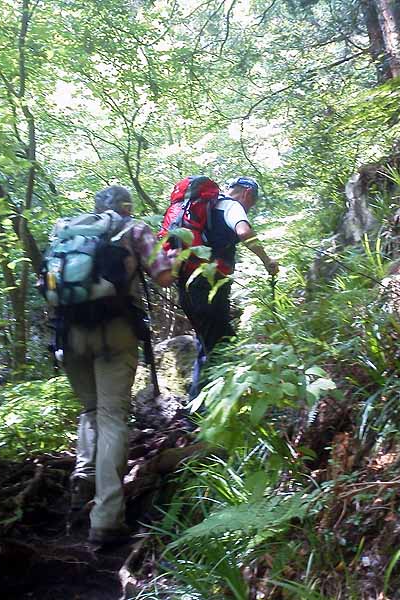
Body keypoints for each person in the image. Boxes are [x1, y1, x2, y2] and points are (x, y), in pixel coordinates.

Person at [62, 185, 175, 547]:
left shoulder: (68, 229)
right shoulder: (135, 228)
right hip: (115, 331)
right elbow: (164, 275)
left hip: (69, 333)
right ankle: (107, 518)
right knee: (111, 416)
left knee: (91, 410)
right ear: (127, 207)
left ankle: (83, 478)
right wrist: (176, 254)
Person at [177, 175, 279, 399]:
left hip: (186, 285)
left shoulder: (199, 209)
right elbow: (244, 232)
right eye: (252, 203)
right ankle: (205, 409)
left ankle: (206, 404)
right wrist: (267, 260)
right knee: (220, 344)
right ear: (247, 193)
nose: (250, 207)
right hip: (209, 286)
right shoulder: (232, 206)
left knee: (209, 342)